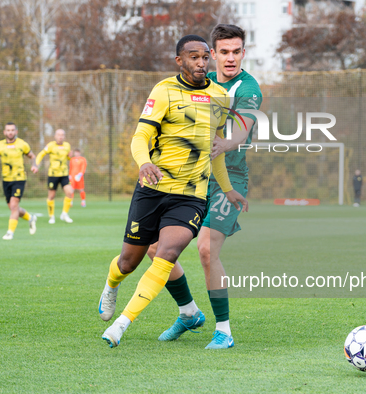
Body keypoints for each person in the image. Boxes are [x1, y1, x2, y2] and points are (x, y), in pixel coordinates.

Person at [98, 34, 248, 349]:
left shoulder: (220, 96)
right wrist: (143, 164)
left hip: (190, 197)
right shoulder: (164, 91)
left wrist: (228, 189)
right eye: (193, 57)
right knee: (128, 262)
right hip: (152, 190)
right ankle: (112, 284)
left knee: (166, 253)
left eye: (204, 57)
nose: (201, 63)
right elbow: (140, 136)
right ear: (179, 60)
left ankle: (121, 324)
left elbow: (215, 149)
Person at [146, 24, 262, 349]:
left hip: (230, 179)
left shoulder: (248, 88)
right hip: (191, 178)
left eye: (236, 51)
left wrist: (226, 143)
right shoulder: (199, 84)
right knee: (155, 249)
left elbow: (242, 129)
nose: (230, 58)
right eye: (223, 52)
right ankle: (188, 313)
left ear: (243, 53)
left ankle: (224, 330)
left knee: (207, 249)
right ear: (212, 54)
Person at [0, 122, 38, 240]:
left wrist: (34, 166)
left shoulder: (22, 144)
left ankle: (10, 232)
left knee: (14, 205)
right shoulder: (0, 145)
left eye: (12, 130)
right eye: (8, 130)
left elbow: (32, 156)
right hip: (6, 180)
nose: (10, 132)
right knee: (13, 208)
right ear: (4, 132)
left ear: (16, 132)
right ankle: (30, 218)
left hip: (19, 178)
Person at [36, 129, 74, 223]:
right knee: (51, 196)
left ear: (64, 136)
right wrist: (36, 164)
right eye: (58, 135)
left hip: (64, 174)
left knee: (69, 193)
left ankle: (64, 214)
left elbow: (68, 158)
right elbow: (41, 154)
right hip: (53, 174)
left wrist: (70, 156)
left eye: (62, 135)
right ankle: (51, 216)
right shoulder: (50, 145)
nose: (60, 136)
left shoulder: (67, 146)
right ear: (55, 136)